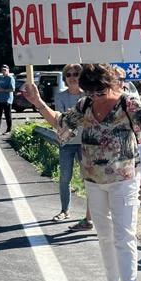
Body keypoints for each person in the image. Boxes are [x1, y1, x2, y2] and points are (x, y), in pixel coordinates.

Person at [24, 64, 141, 281]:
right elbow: (60, 122)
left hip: (124, 179)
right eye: (91, 92)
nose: (96, 97)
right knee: (104, 236)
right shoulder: (85, 105)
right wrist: (37, 101)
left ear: (113, 84)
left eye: (100, 92)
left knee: (125, 237)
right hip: (92, 180)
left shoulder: (128, 104)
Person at [52, 64, 88, 223]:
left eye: (76, 74)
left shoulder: (88, 95)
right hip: (66, 142)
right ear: (65, 78)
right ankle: (64, 210)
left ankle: (90, 215)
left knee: (89, 179)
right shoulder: (60, 96)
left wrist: (72, 118)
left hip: (86, 143)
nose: (73, 77)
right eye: (69, 74)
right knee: (65, 177)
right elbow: (61, 119)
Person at [0, 64, 16, 135]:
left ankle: (9, 130)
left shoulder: (10, 78)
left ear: (8, 70)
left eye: (5, 70)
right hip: (0, 100)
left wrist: (2, 90)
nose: (3, 71)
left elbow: (12, 89)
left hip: (7, 100)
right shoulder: (2, 78)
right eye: (2, 70)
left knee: (7, 115)